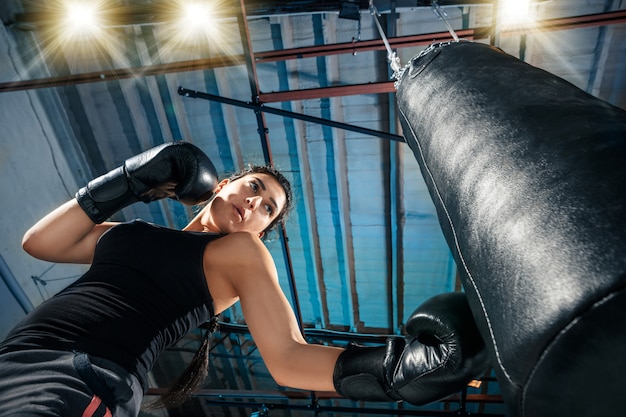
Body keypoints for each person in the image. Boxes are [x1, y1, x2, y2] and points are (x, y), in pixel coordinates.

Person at [0, 141, 488, 417]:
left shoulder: (237, 252)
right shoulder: (132, 231)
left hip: (84, 375)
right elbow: (40, 243)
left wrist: (397, 371)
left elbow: (290, 358)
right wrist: (133, 180)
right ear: (226, 182)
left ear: (261, 231)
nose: (255, 202)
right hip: (13, 357)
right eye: (253, 187)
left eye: (267, 209)